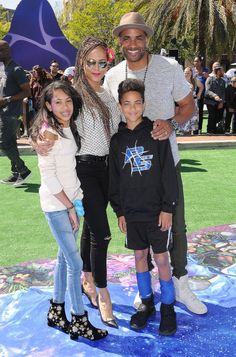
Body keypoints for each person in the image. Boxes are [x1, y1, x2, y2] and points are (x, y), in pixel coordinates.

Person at [104, 11, 207, 314]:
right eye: (126, 37)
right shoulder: (112, 76)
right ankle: (147, 286)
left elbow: (188, 106)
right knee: (137, 227)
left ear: (147, 39)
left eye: (139, 37)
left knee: (176, 224)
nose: (133, 43)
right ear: (120, 42)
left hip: (164, 164)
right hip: (130, 169)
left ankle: (180, 281)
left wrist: (171, 124)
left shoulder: (168, 68)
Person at [33, 37, 121, 328]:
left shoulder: (109, 93)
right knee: (103, 234)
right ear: (81, 61)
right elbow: (50, 116)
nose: (97, 68)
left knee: (91, 231)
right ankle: (102, 294)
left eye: (102, 62)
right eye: (91, 62)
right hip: (85, 170)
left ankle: (86, 276)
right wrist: (37, 138)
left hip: (108, 169)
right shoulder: (76, 94)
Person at [30, 81, 108, 341]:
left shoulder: (67, 127)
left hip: (72, 202)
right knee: (75, 263)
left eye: (68, 101)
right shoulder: (49, 133)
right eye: (58, 102)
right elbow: (49, 178)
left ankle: (56, 309)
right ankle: (79, 320)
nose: (65, 107)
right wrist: (69, 208)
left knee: (65, 258)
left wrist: (76, 203)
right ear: (49, 106)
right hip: (57, 205)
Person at [109, 78, 178, 335]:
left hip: (157, 212)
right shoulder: (117, 141)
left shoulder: (157, 134)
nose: (133, 108)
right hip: (132, 213)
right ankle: (147, 304)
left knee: (161, 258)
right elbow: (114, 180)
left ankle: (168, 308)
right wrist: (120, 211)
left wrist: (168, 207)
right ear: (120, 106)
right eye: (127, 104)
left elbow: (168, 174)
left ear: (144, 104)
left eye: (137, 103)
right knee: (139, 256)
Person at [0, 40, 32, 186]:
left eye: (1, 50)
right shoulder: (3, 69)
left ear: (7, 50)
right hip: (3, 112)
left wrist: (7, 99)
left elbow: (27, 91)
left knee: (4, 143)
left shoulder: (16, 69)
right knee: (10, 142)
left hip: (11, 112)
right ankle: (15, 173)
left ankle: (23, 170)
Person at [205, 65, 226, 135]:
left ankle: (215, 131)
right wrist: (215, 96)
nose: (223, 72)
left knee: (218, 117)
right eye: (222, 71)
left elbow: (223, 92)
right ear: (218, 71)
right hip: (210, 101)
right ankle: (210, 131)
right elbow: (207, 91)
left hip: (219, 101)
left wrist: (221, 101)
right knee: (212, 115)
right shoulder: (209, 79)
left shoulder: (223, 81)